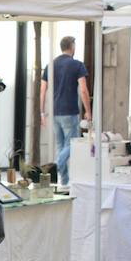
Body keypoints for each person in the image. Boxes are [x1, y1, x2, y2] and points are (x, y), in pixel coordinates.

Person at [40, 36, 91, 186]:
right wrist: (88, 111)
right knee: (72, 144)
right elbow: (83, 89)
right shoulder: (77, 65)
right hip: (70, 111)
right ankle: (56, 165)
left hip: (55, 111)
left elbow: (42, 90)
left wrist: (42, 112)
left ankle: (64, 182)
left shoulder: (50, 65)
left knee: (61, 146)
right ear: (72, 46)